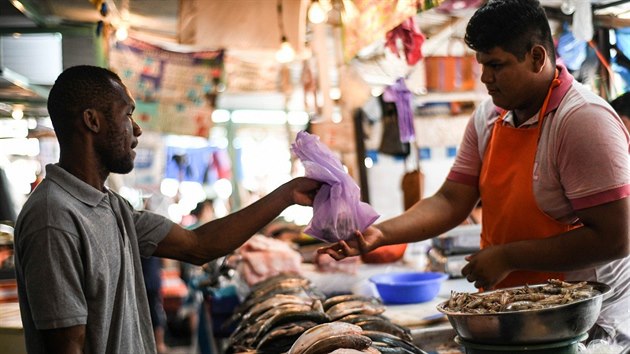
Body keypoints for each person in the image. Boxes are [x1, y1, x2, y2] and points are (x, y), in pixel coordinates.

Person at [320, 0, 630, 346]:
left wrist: (508, 256)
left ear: (537, 57)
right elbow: (452, 199)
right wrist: (380, 233)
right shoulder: (489, 117)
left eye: (496, 65)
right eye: (482, 64)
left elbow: (615, 237)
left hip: (583, 327)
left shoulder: (583, 120)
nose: (485, 78)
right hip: (519, 315)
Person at [13, 65, 321, 354]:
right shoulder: (53, 218)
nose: (136, 130)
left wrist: (288, 194)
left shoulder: (112, 207)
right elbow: (67, 347)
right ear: (92, 121)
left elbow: (198, 246)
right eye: (127, 114)